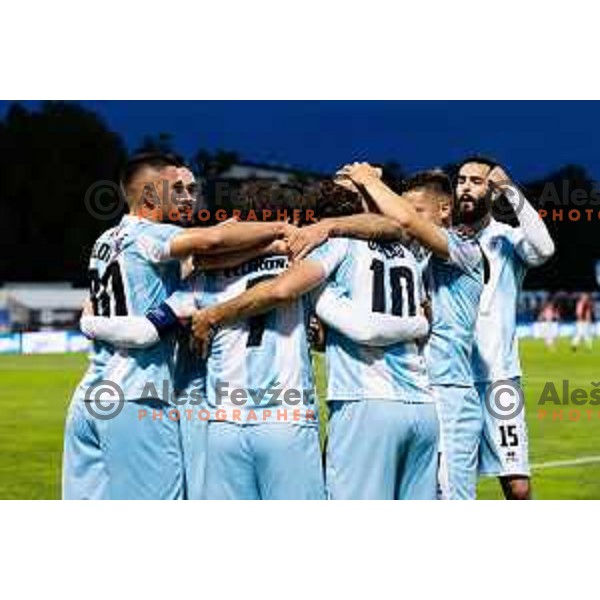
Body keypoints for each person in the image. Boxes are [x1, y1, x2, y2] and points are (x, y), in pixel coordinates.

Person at [63, 153, 294, 500]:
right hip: (136, 396)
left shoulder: (105, 240)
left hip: (87, 400)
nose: (189, 198)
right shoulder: (152, 235)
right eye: (178, 190)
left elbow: (201, 256)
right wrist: (281, 228)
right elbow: (210, 243)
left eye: (191, 190)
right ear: (151, 197)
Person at [192, 180, 438, 500]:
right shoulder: (399, 253)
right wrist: (418, 324)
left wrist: (213, 314)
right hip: (295, 417)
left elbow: (204, 251)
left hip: (226, 417)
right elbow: (395, 227)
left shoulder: (206, 269)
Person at [324, 164, 485, 500]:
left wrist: (369, 179)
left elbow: (404, 222)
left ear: (444, 209)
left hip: (449, 394)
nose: (400, 218)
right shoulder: (410, 256)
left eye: (416, 210)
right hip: (412, 394)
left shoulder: (466, 249)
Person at [454, 157, 555, 500]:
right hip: (452, 380)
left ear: (493, 192)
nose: (465, 186)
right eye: (461, 180)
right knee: (446, 483)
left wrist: (511, 189)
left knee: (517, 487)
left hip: (500, 379)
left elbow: (544, 249)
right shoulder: (442, 242)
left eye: (476, 181)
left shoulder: (508, 239)